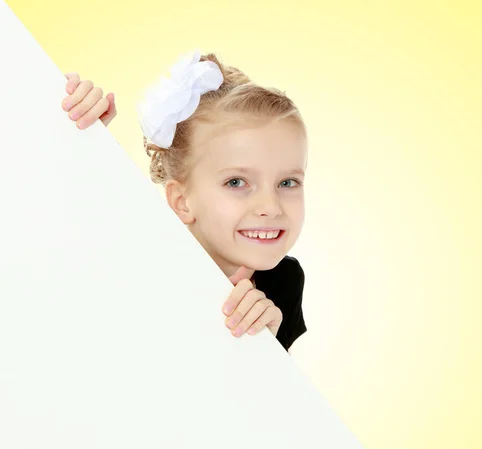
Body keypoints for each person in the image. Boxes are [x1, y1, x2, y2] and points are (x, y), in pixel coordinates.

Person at [61, 51, 307, 352]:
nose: (270, 206)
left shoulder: (285, 279)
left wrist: (267, 349)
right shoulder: (143, 260)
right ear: (181, 201)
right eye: (236, 182)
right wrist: (76, 130)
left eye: (287, 182)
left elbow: (270, 396)